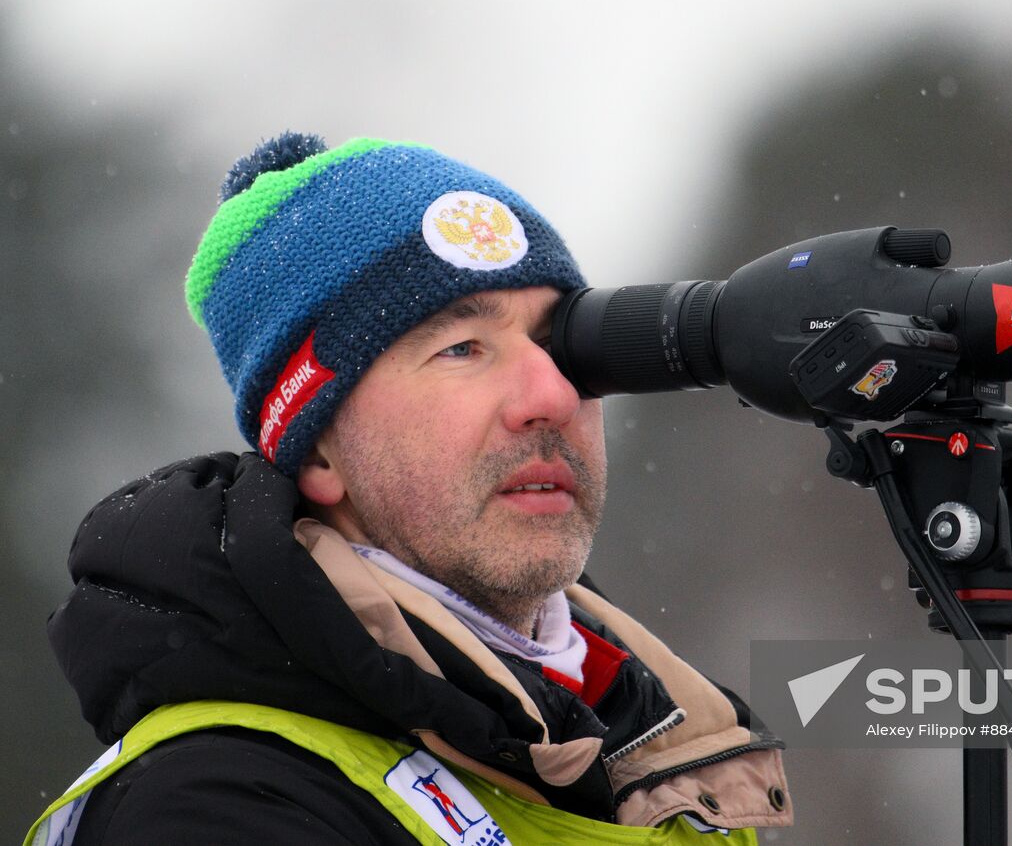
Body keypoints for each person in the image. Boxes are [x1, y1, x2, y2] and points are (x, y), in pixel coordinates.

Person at [29, 133, 793, 845]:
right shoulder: (219, 801)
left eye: (559, 344)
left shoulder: (665, 740)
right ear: (317, 450)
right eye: (463, 348)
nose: (552, 396)